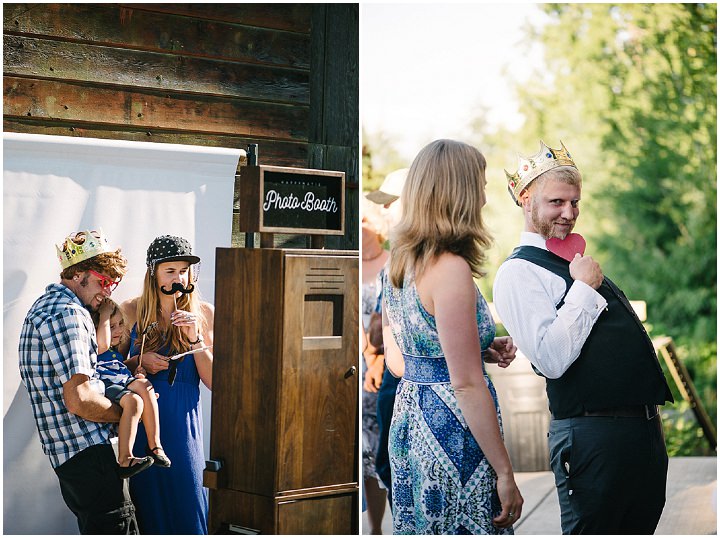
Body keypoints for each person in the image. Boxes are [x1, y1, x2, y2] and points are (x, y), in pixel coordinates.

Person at [493, 140, 674, 534]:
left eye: (575, 202)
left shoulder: (572, 262)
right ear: (526, 200)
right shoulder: (517, 273)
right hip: (590, 435)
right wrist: (583, 290)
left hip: (641, 432)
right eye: (557, 202)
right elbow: (551, 359)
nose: (569, 213)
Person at [382, 139, 523, 534]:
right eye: (480, 184)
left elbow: (411, 352)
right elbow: (465, 384)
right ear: (459, 192)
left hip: (411, 418)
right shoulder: (450, 268)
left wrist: (480, 348)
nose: (483, 196)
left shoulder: (400, 260)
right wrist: (505, 472)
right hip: (452, 430)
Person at [18, 228, 139, 534]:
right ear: (80, 274)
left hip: (74, 456)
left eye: (113, 283)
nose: (108, 290)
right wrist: (125, 414)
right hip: (88, 453)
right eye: (103, 280)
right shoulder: (68, 313)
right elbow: (80, 400)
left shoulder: (46, 306)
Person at [121, 235, 214, 534]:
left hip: (185, 430)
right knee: (149, 512)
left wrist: (195, 338)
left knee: (189, 510)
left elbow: (216, 382)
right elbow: (108, 373)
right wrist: (139, 361)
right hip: (143, 434)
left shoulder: (205, 313)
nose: (179, 278)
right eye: (170, 271)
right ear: (153, 272)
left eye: (184, 271)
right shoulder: (130, 311)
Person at [92, 298, 171, 478]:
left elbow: (120, 371)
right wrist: (104, 313)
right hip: (106, 385)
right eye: (111, 327)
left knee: (141, 392)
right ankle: (136, 453)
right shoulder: (97, 348)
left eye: (120, 324)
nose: (119, 330)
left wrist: (136, 372)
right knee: (138, 395)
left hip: (120, 383)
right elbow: (102, 344)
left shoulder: (113, 353)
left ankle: (148, 448)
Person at [361, 212, 390, 533]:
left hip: (387, 361)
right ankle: (374, 528)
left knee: (383, 446)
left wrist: (379, 358)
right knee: (364, 452)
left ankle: (386, 523)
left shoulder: (393, 262)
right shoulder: (355, 262)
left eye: (367, 218)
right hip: (358, 361)